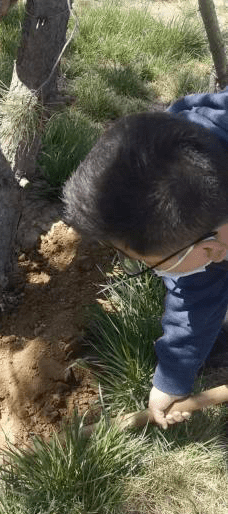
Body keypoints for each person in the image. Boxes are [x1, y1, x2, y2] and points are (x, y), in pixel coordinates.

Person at [62, 90, 228, 429]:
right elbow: (196, 285)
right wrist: (171, 379)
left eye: (157, 265)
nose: (157, 273)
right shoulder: (175, 168)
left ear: (214, 248)